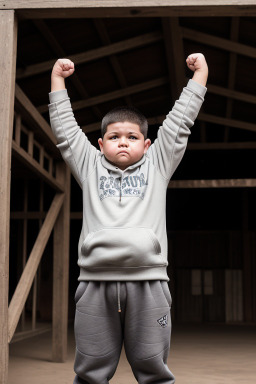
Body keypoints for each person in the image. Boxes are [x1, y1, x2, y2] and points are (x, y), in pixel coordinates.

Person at [48, 53, 208, 384]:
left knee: (154, 371)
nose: (123, 142)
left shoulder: (158, 164)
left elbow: (180, 122)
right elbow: (65, 131)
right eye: (115, 137)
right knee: (90, 373)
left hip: (150, 285)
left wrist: (200, 76)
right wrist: (57, 80)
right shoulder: (89, 167)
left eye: (132, 137)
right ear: (100, 144)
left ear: (147, 145)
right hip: (94, 285)